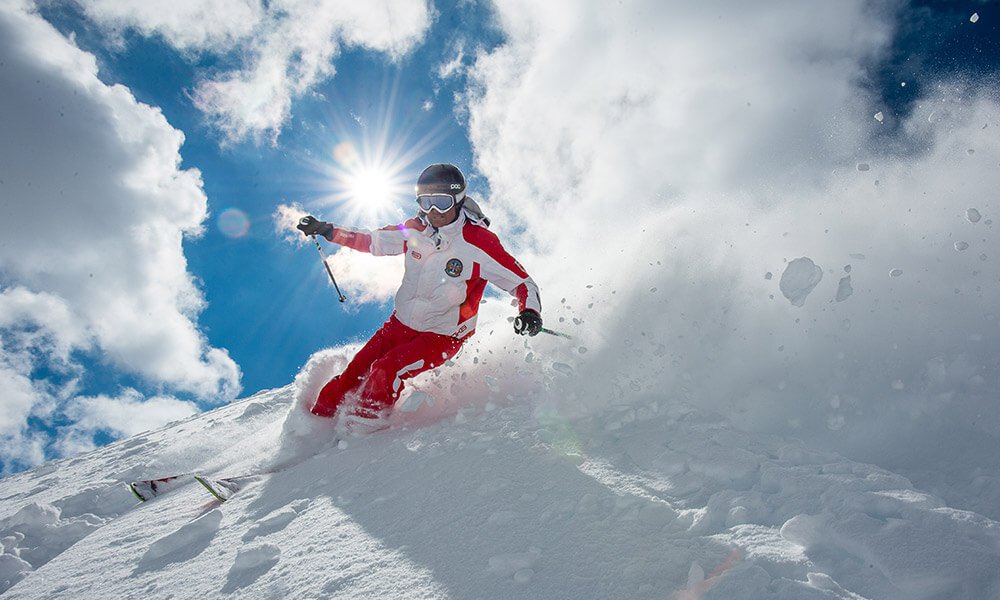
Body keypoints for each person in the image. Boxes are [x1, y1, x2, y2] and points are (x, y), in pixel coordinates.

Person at [296, 163, 543, 432]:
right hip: (400, 324)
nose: (433, 212)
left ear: (458, 200)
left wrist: (529, 311)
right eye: (425, 202)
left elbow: (522, 282)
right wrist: (328, 230)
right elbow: (371, 240)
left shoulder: (478, 242)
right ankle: (312, 429)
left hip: (442, 335)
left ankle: (362, 435)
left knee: (386, 369)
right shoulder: (415, 230)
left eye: (441, 202)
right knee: (354, 373)